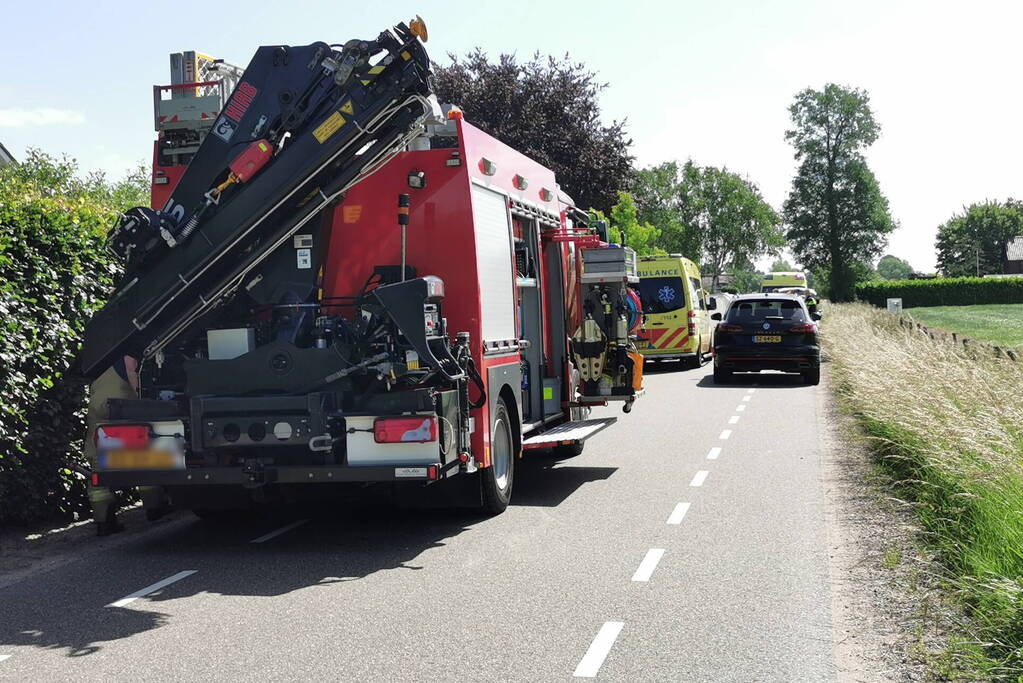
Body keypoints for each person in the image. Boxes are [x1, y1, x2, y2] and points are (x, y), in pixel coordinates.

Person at [84, 356, 170, 536]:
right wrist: (144, 400)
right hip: (120, 403)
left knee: (98, 459)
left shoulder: (98, 355)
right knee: (141, 452)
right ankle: (154, 507)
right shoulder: (126, 350)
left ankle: (104, 521)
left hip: (96, 405)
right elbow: (132, 372)